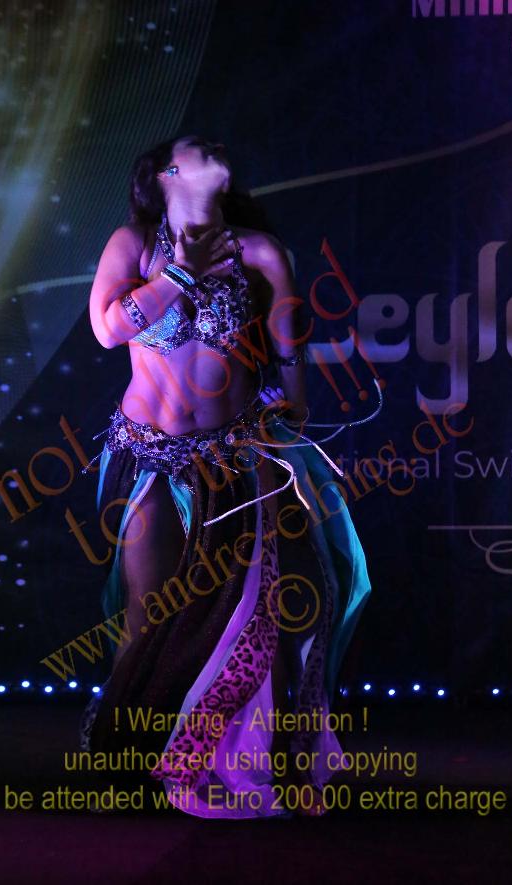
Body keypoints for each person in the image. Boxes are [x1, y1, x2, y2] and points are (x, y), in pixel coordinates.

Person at [79, 134, 374, 819]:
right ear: (163, 175)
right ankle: (128, 756)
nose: (210, 146)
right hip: (150, 455)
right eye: (193, 146)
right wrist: (181, 273)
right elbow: (107, 329)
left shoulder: (259, 251)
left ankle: (249, 758)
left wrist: (293, 409)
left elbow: (288, 347)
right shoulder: (135, 245)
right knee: (148, 610)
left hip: (235, 453)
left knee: (254, 608)